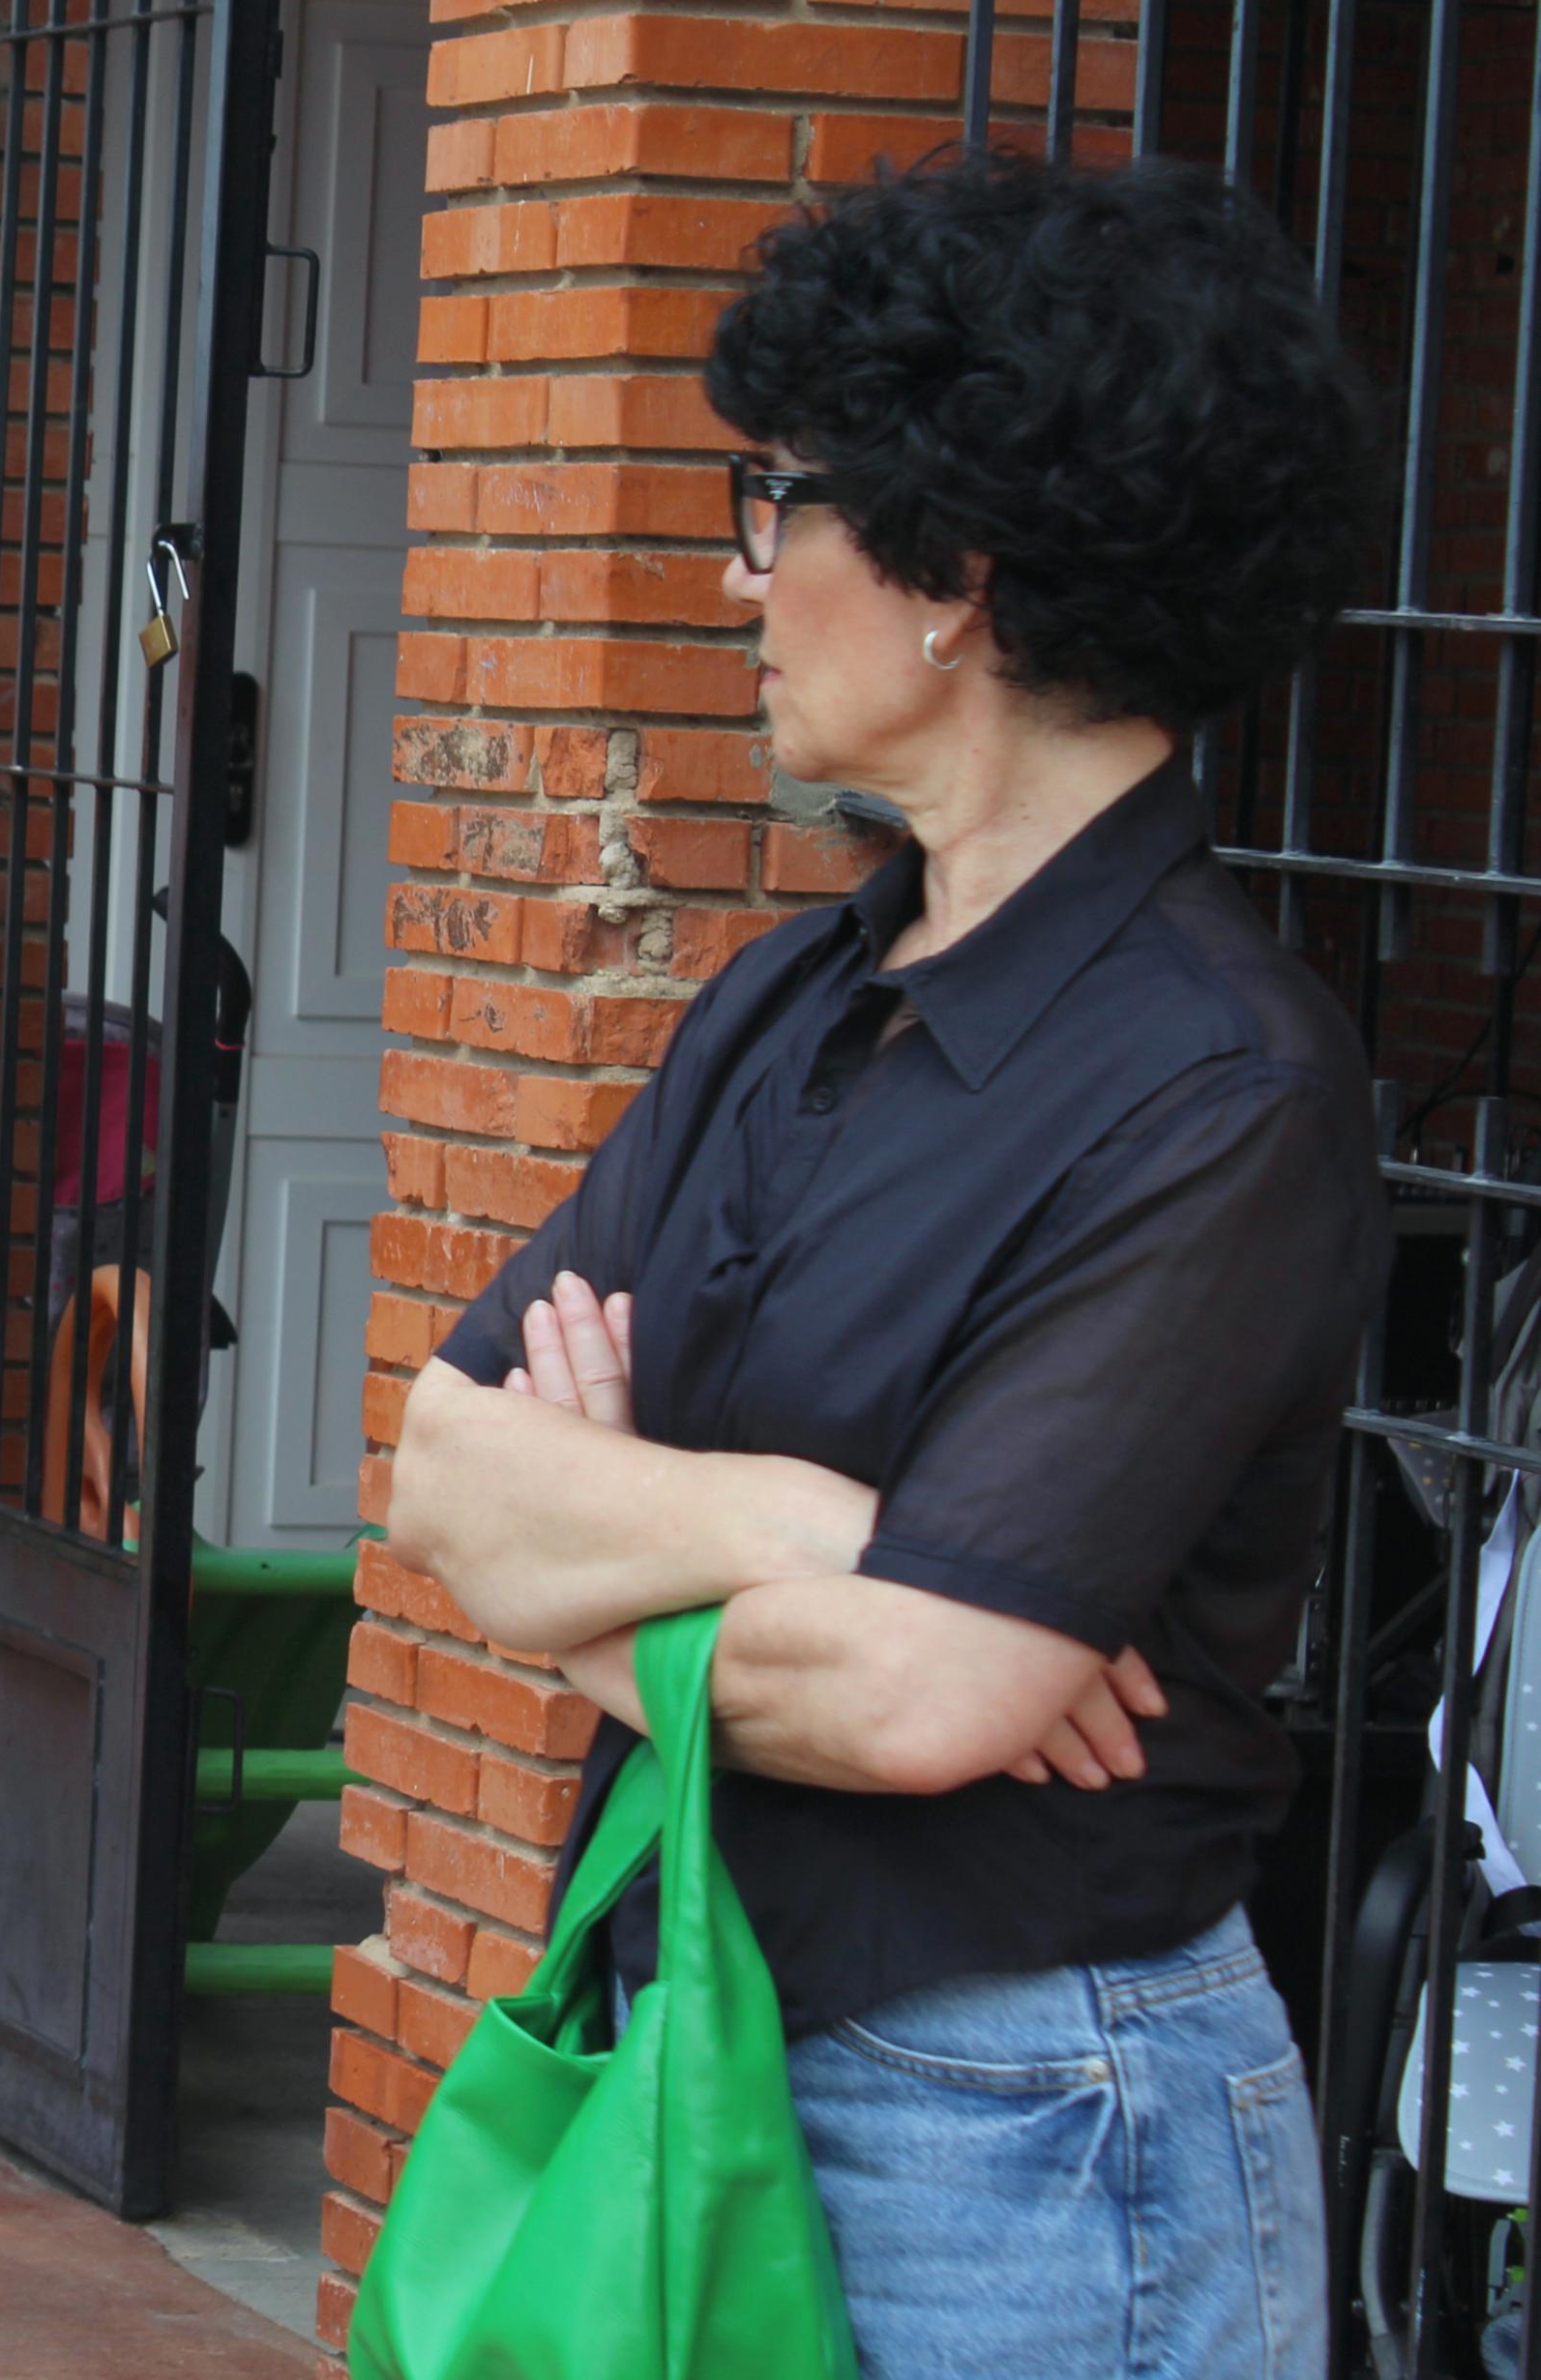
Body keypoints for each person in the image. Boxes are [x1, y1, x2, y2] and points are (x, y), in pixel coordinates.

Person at [381, 152, 1385, 2379]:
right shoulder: (790, 996)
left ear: (950, 570)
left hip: (1015, 2125)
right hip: (703, 2017)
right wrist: (804, 1527)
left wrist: (607, 1560)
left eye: (778, 501)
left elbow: (919, 1700)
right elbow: (447, 1472)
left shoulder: (1217, 1088)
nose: (741, 572)